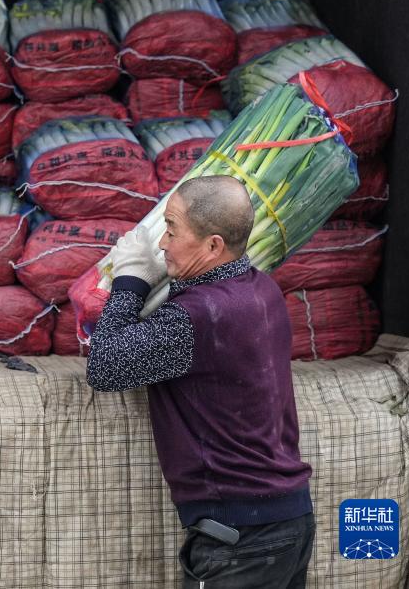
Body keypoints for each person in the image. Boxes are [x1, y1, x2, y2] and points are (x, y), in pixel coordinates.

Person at [85, 175, 315, 588]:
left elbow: (105, 366)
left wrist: (130, 282)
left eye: (171, 230)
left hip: (240, 540)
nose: (162, 243)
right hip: (290, 523)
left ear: (213, 246)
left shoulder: (200, 316)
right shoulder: (263, 289)